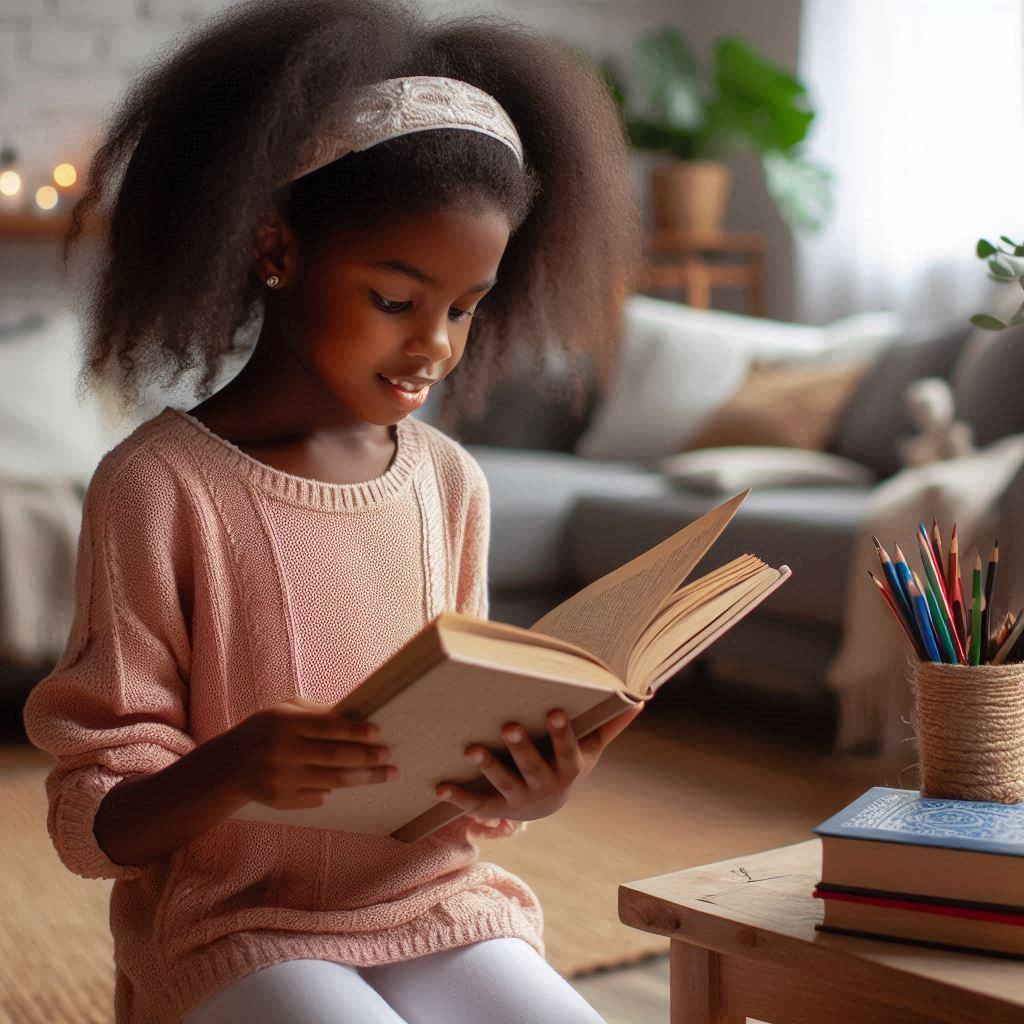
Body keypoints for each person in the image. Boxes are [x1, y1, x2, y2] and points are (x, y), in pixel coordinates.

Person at [22, 1, 642, 1021]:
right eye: (395, 300)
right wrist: (232, 767)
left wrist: (531, 786)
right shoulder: (160, 486)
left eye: (464, 306)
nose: (435, 344)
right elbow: (93, 824)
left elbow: (454, 776)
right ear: (277, 248)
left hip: (434, 903)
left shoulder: (450, 484)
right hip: (235, 930)